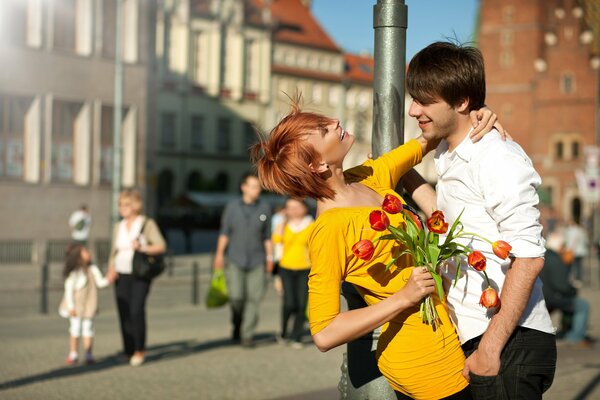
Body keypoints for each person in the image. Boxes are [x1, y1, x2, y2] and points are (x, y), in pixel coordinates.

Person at [251, 96, 500, 399]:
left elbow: (426, 139)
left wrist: (478, 115)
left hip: (455, 336)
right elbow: (324, 332)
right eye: (324, 128)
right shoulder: (329, 229)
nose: (335, 122)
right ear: (317, 164)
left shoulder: (367, 176)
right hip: (424, 363)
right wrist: (403, 298)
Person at [406, 41, 556, 399]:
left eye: (425, 101)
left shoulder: (495, 156)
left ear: (461, 103)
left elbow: (530, 256)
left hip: (508, 342)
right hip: (478, 338)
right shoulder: (449, 151)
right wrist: (401, 175)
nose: (413, 110)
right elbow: (447, 217)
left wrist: (490, 348)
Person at [212, 173, 273, 348]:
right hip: (235, 258)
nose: (256, 190)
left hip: (257, 260)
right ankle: (237, 322)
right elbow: (224, 233)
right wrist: (219, 255)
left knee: (254, 298)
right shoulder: (232, 207)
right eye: (253, 186)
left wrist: (269, 258)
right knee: (237, 297)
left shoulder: (264, 208)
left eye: (258, 187)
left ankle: (247, 335)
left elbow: (267, 236)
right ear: (243, 187)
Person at [106, 189, 166, 366]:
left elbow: (161, 246)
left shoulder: (146, 223)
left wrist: (142, 247)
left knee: (136, 310)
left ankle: (140, 349)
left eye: (126, 204)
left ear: (135, 206)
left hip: (140, 273)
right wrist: (111, 268)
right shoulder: (119, 226)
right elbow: (113, 251)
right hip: (121, 273)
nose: (122, 208)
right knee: (124, 312)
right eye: (120, 204)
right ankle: (128, 349)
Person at [59, 243, 110, 365]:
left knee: (88, 329)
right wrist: (71, 307)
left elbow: (101, 282)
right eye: (85, 252)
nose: (89, 253)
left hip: (89, 305)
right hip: (77, 306)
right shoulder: (75, 273)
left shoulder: (93, 269)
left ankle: (88, 354)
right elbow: (69, 291)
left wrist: (109, 278)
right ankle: (73, 353)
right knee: (75, 329)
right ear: (78, 256)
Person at [272, 197, 314, 348]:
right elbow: (277, 248)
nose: (294, 211)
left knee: (301, 303)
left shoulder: (311, 224)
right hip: (286, 268)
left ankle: (296, 336)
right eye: (290, 207)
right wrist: (275, 275)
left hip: (305, 268)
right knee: (289, 303)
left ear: (305, 208)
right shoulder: (282, 225)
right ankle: (283, 331)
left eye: (297, 207)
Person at [540, 231, 592, 348]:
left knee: (570, 303)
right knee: (582, 305)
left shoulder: (544, 255)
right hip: (552, 297)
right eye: (563, 245)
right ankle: (575, 336)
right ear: (558, 246)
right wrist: (573, 290)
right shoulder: (555, 259)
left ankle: (565, 330)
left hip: (543, 295)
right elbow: (562, 285)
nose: (564, 248)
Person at [564, 218, 588, 286]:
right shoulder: (580, 230)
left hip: (574, 251)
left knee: (574, 266)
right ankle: (578, 279)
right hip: (580, 251)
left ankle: (575, 279)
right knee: (578, 266)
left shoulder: (571, 230)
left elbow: (570, 242)